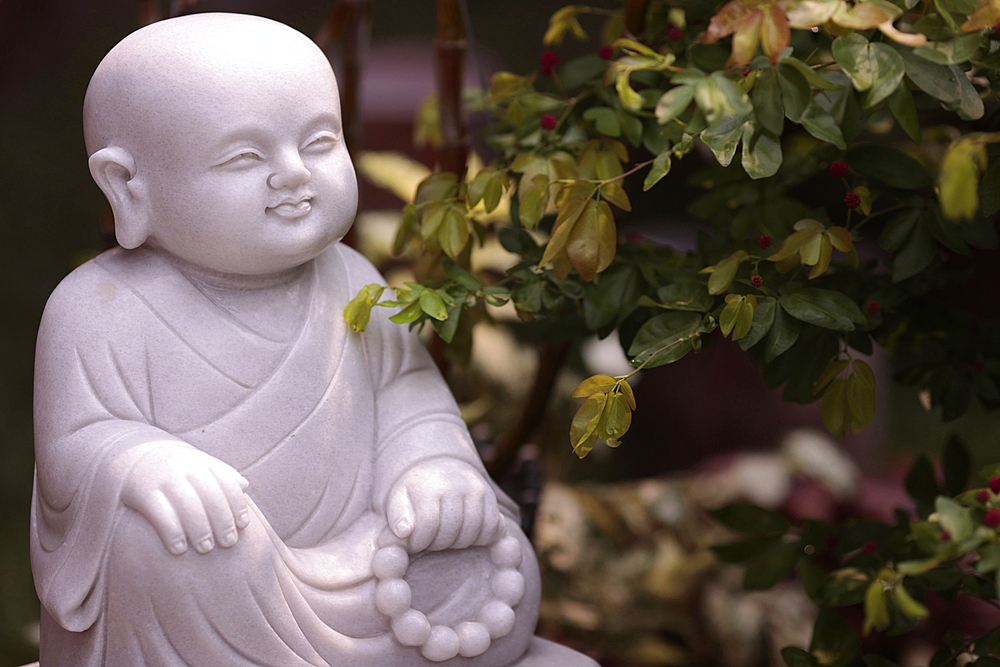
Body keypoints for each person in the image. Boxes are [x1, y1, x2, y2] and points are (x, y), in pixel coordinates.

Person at [30, 13, 595, 667]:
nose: (295, 174)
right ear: (129, 184)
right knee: (152, 541)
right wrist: (139, 462)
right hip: (222, 571)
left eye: (319, 142)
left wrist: (433, 470)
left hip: (363, 562)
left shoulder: (352, 279)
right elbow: (76, 446)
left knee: (494, 557)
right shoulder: (99, 308)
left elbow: (410, 402)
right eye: (245, 156)